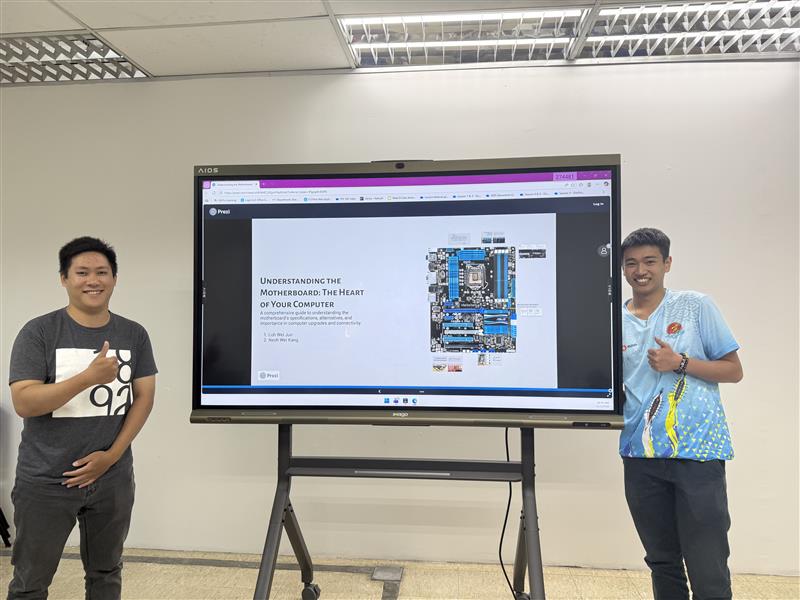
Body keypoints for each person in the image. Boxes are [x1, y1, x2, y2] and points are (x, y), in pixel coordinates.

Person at [7, 236, 157, 600]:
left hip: (112, 477)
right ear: (64, 279)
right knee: (30, 582)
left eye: (102, 272)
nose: (93, 280)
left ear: (114, 278)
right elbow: (24, 402)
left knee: (106, 573)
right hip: (46, 480)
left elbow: (143, 398)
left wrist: (112, 457)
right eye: (82, 272)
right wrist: (87, 378)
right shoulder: (39, 332)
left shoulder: (133, 334)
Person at [619, 227, 743, 600]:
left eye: (650, 261)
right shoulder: (612, 319)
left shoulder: (695, 305)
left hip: (698, 454)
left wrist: (680, 362)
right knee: (662, 562)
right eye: (631, 263)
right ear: (623, 269)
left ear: (667, 264)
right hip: (640, 455)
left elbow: (733, 370)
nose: (641, 270)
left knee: (707, 569)